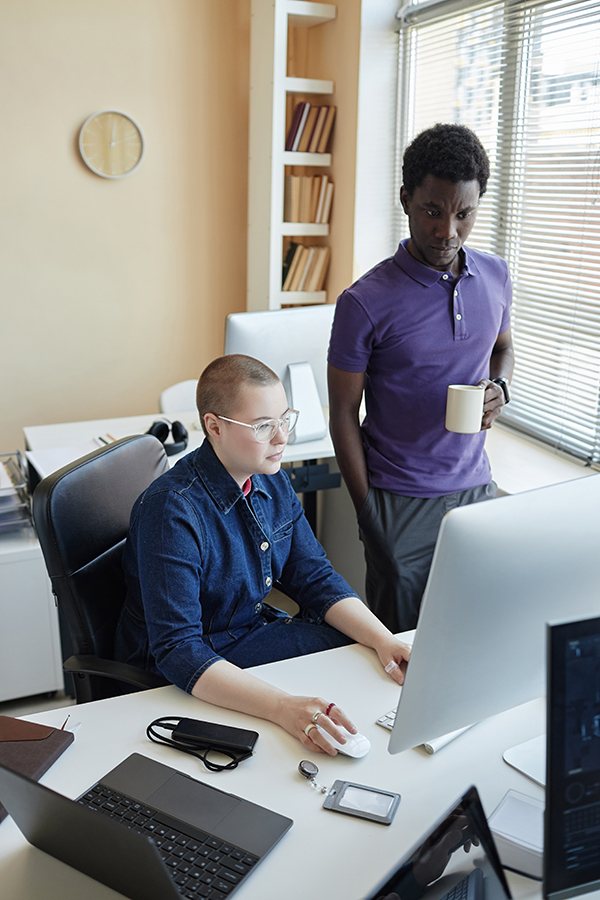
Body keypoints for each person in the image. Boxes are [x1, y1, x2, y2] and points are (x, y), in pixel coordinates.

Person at [115, 354, 411, 755]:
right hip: (188, 662)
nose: (281, 437)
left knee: (359, 654)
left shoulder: (271, 482)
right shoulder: (171, 511)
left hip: (247, 634)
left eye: (284, 419)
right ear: (214, 426)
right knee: (318, 698)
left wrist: (383, 639)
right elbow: (178, 649)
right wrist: (281, 707)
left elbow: (315, 578)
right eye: (262, 426)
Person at [327, 123, 514, 634]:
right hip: (398, 501)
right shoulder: (363, 302)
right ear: (406, 199)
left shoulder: (496, 275)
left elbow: (502, 348)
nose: (447, 231)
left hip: (477, 492)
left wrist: (501, 388)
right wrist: (370, 514)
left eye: (463, 214)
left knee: (474, 640)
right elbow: (343, 413)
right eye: (433, 211)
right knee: (400, 663)